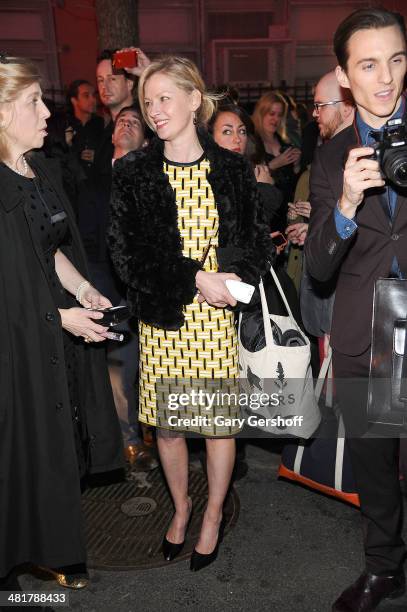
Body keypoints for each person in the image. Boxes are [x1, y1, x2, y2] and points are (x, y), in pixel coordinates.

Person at [108, 56, 273, 571]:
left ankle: (214, 514)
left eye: (164, 99)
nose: (154, 111)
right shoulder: (135, 171)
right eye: (148, 101)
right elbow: (126, 253)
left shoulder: (231, 169)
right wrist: (193, 278)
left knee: (219, 426)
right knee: (172, 428)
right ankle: (180, 510)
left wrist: (231, 276)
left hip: (217, 320)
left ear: (193, 100)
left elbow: (254, 244)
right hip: (165, 319)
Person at [0, 54, 124, 593]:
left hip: (54, 330)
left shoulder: (41, 169)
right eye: (32, 102)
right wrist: (58, 317)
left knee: (58, 444)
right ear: (2, 113)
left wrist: (84, 289)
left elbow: (50, 249)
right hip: (17, 342)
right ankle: (19, 569)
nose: (46, 112)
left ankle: (45, 553)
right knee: (23, 452)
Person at [305, 9, 407, 611]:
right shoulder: (329, 156)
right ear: (345, 75)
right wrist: (345, 201)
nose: (386, 78)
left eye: (397, 59)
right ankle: (383, 568)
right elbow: (318, 268)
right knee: (373, 469)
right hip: (365, 333)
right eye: (368, 64)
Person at [252, 91, 301, 227]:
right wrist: (273, 165)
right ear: (261, 113)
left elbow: (292, 182)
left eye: (279, 115)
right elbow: (248, 179)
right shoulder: (252, 142)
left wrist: (296, 166)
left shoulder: (283, 141)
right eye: (271, 114)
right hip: (265, 214)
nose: (275, 119)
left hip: (286, 214)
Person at [66, 79, 104, 178]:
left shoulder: (101, 124)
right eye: (86, 95)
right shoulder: (64, 124)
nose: (93, 100)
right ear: (74, 101)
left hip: (97, 183)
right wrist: (77, 155)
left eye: (94, 95)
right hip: (72, 185)